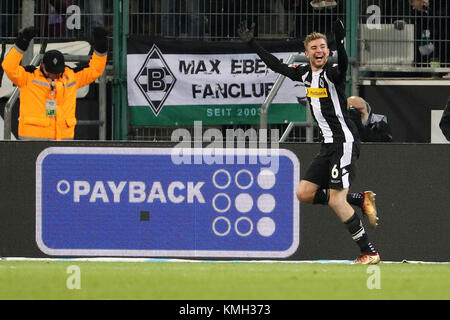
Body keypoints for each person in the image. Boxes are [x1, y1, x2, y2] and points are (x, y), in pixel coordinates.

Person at [238, 20, 380, 264]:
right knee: (304, 193)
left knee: (336, 200)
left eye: (323, 47)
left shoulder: (332, 74)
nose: (319, 51)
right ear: (307, 53)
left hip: (343, 142)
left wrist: (342, 44)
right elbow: (275, 65)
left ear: (327, 51)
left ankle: (369, 252)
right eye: (314, 47)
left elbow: (343, 65)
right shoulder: (304, 73)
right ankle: (359, 199)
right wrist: (252, 43)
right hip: (327, 145)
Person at [1, 26, 108, 140]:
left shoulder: (71, 77)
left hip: (63, 141)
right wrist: (21, 43)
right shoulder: (28, 77)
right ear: (42, 65)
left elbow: (95, 70)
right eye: (51, 71)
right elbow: (9, 66)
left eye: (58, 72)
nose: (55, 75)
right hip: (33, 141)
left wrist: (101, 47)